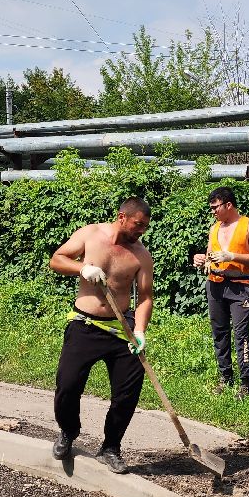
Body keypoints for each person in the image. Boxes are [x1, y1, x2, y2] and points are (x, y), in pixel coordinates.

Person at [48, 197, 154, 474]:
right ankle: (69, 431)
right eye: (137, 225)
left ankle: (111, 447)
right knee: (68, 385)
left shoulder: (141, 255)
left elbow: (145, 298)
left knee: (128, 391)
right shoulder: (91, 234)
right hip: (85, 325)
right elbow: (56, 260)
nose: (140, 231)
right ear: (122, 217)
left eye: (144, 227)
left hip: (121, 329)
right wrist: (82, 267)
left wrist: (140, 331)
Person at [192, 186, 249, 397]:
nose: (213, 212)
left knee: (241, 334)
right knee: (219, 332)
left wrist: (231, 256)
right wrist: (200, 260)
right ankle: (225, 378)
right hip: (214, 285)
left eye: (215, 207)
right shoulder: (214, 228)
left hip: (239, 287)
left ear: (228, 205)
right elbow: (209, 256)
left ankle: (246, 383)